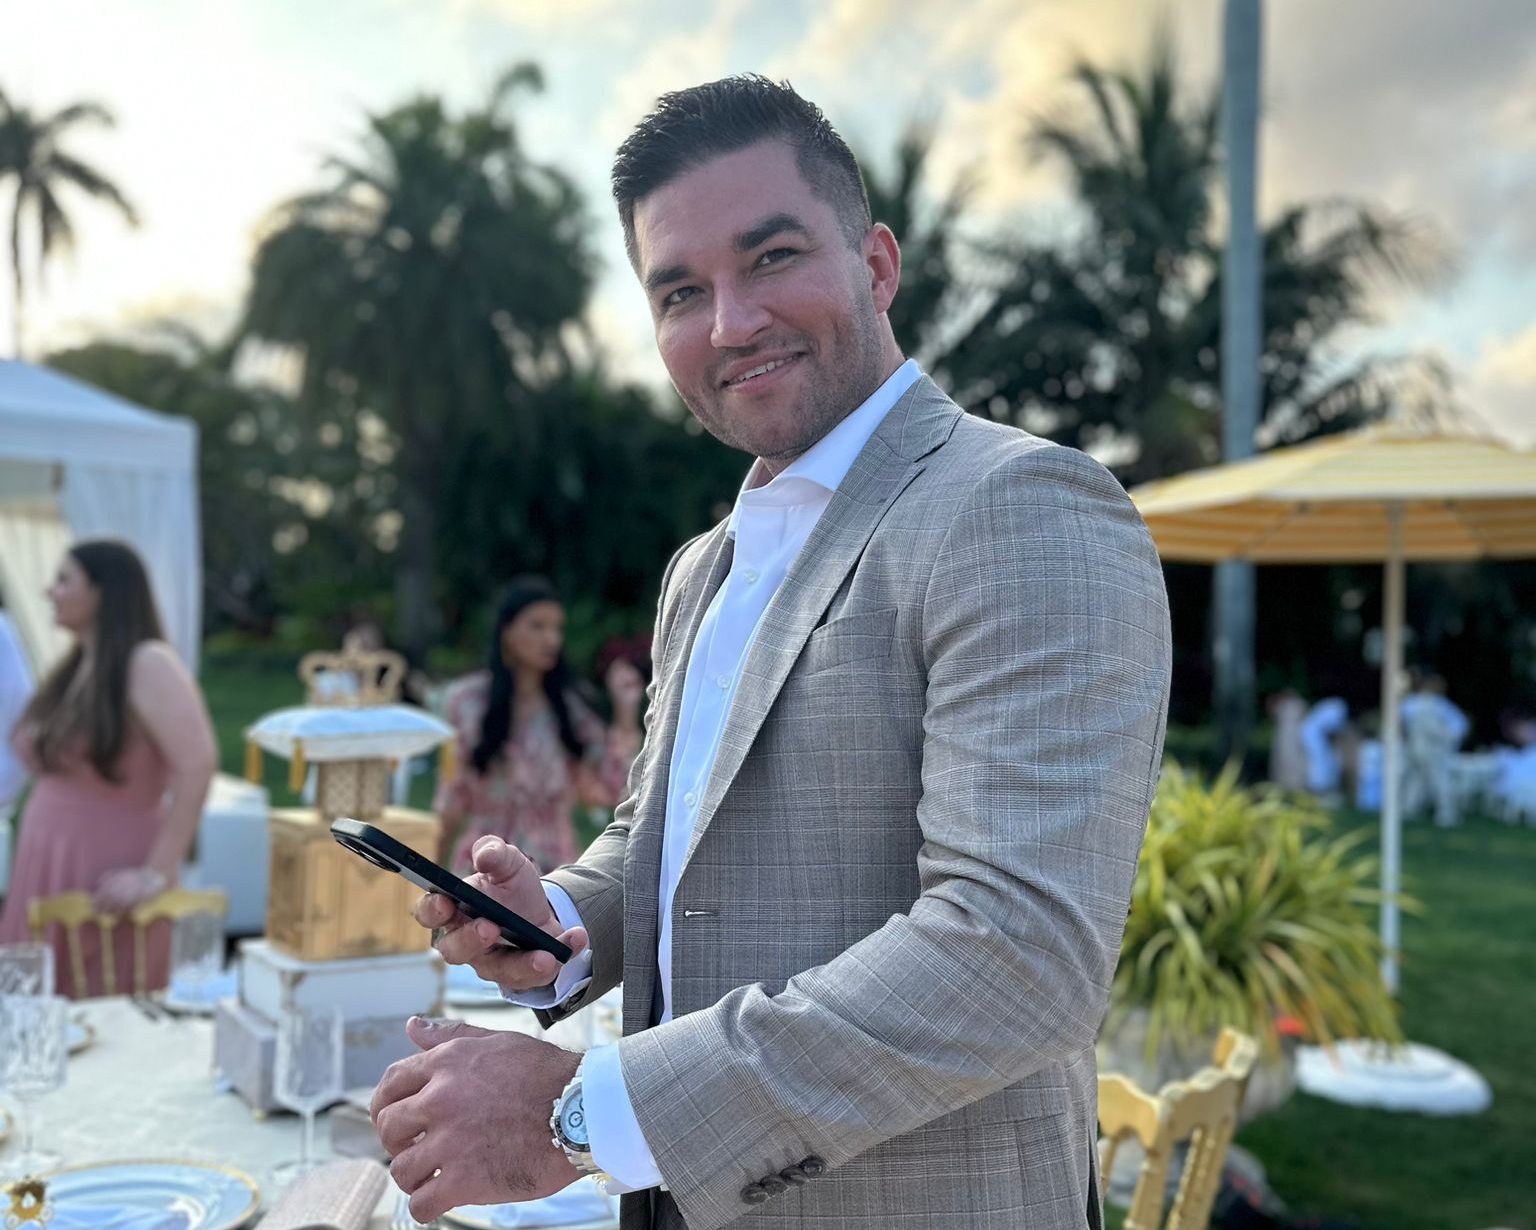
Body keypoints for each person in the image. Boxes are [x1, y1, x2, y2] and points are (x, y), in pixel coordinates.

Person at [372, 77, 1171, 1230]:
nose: (730, 323)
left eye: (773, 257)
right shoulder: (703, 569)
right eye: (680, 292)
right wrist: (562, 922)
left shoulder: (1019, 506)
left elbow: (1019, 956)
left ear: (878, 265)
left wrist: (581, 1116)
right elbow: (662, 840)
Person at [0, 540, 217, 997]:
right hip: (45, 860)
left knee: (100, 1011)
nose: (50, 590)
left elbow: (198, 764)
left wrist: (155, 873)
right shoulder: (77, 666)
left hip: (107, 869)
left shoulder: (148, 663)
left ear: (103, 591)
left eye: (64, 579)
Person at [433, 577, 643, 873]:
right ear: (507, 631)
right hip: (481, 865)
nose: (552, 639)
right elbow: (450, 798)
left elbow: (618, 787)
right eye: (538, 626)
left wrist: (626, 711)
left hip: (551, 870)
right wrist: (431, 875)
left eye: (557, 628)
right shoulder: (467, 702)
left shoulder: (570, 709)